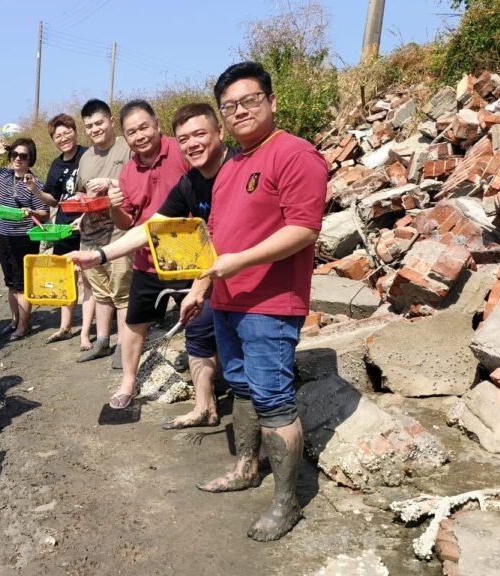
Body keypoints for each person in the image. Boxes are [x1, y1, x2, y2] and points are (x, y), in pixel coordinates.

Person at [180, 61, 327, 542]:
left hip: (271, 303)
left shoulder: (295, 154)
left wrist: (238, 263)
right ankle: (246, 467)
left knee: (273, 398)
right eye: (230, 106)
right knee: (241, 387)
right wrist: (202, 285)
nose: (240, 111)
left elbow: (304, 228)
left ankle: (287, 504)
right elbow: (218, 237)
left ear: (271, 102)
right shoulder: (231, 165)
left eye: (249, 101)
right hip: (227, 299)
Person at [69, 102, 229, 424]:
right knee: (134, 322)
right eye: (132, 132)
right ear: (125, 136)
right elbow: (133, 223)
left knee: (198, 325)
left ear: (157, 125)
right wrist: (111, 211)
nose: (139, 135)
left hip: (192, 257)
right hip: (146, 256)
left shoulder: (184, 152)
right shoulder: (129, 171)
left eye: (144, 127)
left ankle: (207, 396)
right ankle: (129, 381)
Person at [71, 99, 133, 363]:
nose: (95, 129)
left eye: (99, 123)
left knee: (123, 293)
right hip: (90, 235)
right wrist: (79, 207)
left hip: (120, 235)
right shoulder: (85, 157)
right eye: (89, 126)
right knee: (100, 292)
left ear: (110, 119)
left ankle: (124, 346)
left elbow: (139, 186)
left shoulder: (127, 146)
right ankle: (103, 341)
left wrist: (110, 182)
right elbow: (82, 193)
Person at [0, 137, 49, 341]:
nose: (18, 159)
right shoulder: (3, 175)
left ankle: (23, 326)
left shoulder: (34, 182)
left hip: (24, 238)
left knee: (23, 284)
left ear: (30, 159)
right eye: (14, 154)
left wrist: (30, 211)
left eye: (23, 156)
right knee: (11, 283)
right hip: (4, 235)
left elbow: (45, 213)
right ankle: (14, 320)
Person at [34, 114, 94, 347]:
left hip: (88, 226)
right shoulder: (57, 164)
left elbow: (96, 192)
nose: (63, 138)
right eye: (58, 135)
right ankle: (65, 327)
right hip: (63, 228)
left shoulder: (88, 155)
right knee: (66, 278)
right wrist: (35, 190)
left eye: (66, 132)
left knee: (89, 280)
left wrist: (84, 216)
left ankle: (86, 333)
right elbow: (53, 199)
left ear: (75, 132)